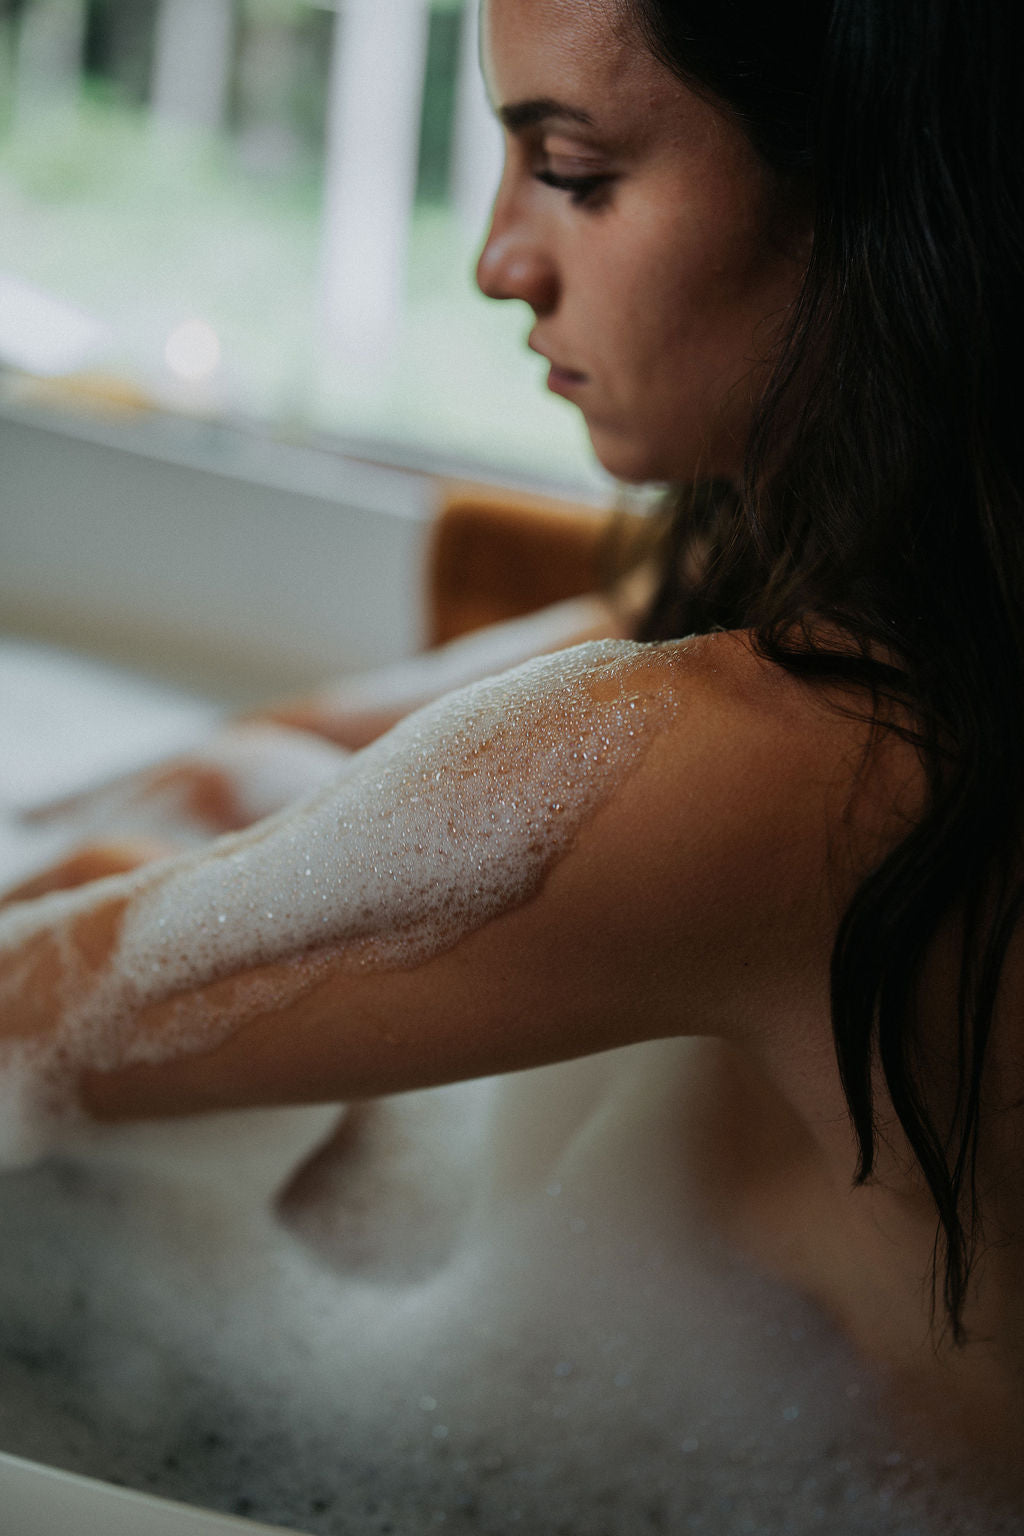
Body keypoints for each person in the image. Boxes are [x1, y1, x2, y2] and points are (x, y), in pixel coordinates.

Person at [1, 0, 1023, 1508]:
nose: (500, 262)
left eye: (576, 171)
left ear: (878, 195)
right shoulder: (885, 621)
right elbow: (293, 756)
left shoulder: (786, 766)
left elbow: (26, 1027)